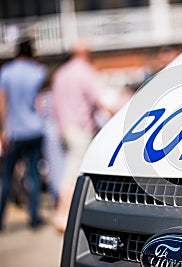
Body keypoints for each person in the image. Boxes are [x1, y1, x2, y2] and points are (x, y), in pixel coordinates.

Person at [52, 39, 104, 232]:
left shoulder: (61, 73)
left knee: (70, 169)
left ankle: (63, 213)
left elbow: (55, 106)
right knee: (74, 173)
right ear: (86, 52)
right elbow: (100, 99)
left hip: (66, 128)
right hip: (81, 129)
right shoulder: (85, 72)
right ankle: (63, 215)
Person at [0, 39, 47, 230]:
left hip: (15, 131)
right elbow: (39, 104)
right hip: (35, 129)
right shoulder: (38, 72)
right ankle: (34, 218)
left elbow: (3, 103)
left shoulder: (6, 72)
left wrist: (2, 129)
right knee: (34, 174)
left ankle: (0, 217)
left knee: (7, 176)